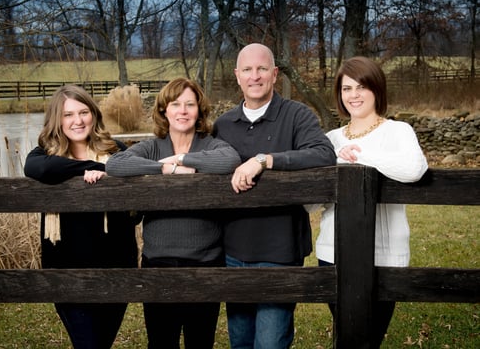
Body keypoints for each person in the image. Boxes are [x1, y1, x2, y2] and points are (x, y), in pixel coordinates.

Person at [212, 43, 336, 349]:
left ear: (275, 74)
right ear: (237, 76)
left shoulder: (296, 115)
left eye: (262, 69)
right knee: (240, 342)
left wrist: (265, 160)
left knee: (270, 344)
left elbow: (323, 154)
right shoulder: (223, 124)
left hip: (279, 252)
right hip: (232, 252)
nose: (255, 76)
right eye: (248, 70)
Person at [105, 77, 241, 349]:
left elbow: (231, 160)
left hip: (204, 263)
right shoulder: (153, 147)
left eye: (190, 104)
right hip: (159, 263)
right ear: (164, 111)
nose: (183, 111)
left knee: (200, 342)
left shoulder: (210, 145)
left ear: (199, 111)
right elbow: (116, 163)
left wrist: (183, 159)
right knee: (161, 342)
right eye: (176, 104)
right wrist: (164, 169)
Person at [315, 56, 428, 348]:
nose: (353, 95)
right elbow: (311, 202)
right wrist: (335, 158)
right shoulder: (329, 139)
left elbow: (414, 169)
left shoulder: (398, 131)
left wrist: (358, 155)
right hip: (333, 251)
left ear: (377, 88)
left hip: (384, 255)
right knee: (347, 335)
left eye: (361, 86)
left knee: (368, 339)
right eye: (346, 88)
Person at [24, 84, 140, 349]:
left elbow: (136, 212)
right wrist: (100, 168)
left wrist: (114, 173)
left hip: (116, 269)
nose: (77, 120)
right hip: (66, 272)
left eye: (83, 112)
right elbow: (36, 169)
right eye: (68, 114)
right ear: (57, 120)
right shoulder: (45, 154)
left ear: (93, 114)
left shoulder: (115, 150)